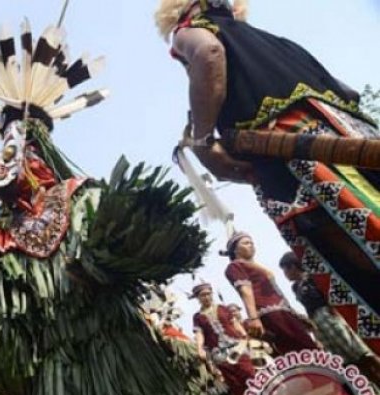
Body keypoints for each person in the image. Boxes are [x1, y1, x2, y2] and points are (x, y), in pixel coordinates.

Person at [157, 0, 380, 355]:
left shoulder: (190, 31)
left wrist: (201, 140)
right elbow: (348, 92)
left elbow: (210, 53)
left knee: (357, 262)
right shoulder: (281, 43)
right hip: (356, 141)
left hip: (304, 169)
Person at [280, 251, 380, 385]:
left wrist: (336, 312)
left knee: (359, 352)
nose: (285, 274)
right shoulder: (295, 287)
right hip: (317, 322)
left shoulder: (312, 277)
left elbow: (327, 293)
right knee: (347, 360)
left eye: (285, 270)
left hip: (329, 314)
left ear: (293, 266)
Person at [223, 232, 318, 355]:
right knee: (302, 351)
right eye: (246, 243)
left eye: (252, 242)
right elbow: (246, 291)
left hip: (283, 312)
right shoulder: (235, 266)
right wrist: (253, 318)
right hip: (271, 314)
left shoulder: (254, 266)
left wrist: (295, 315)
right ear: (235, 250)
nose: (251, 245)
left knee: (306, 348)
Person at [191, 282, 256, 395]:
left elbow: (234, 323)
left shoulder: (223, 308)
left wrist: (245, 335)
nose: (206, 297)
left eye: (208, 294)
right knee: (233, 380)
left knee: (248, 372)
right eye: (203, 295)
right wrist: (199, 348)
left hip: (237, 346)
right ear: (198, 298)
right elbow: (199, 333)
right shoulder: (198, 317)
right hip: (218, 352)